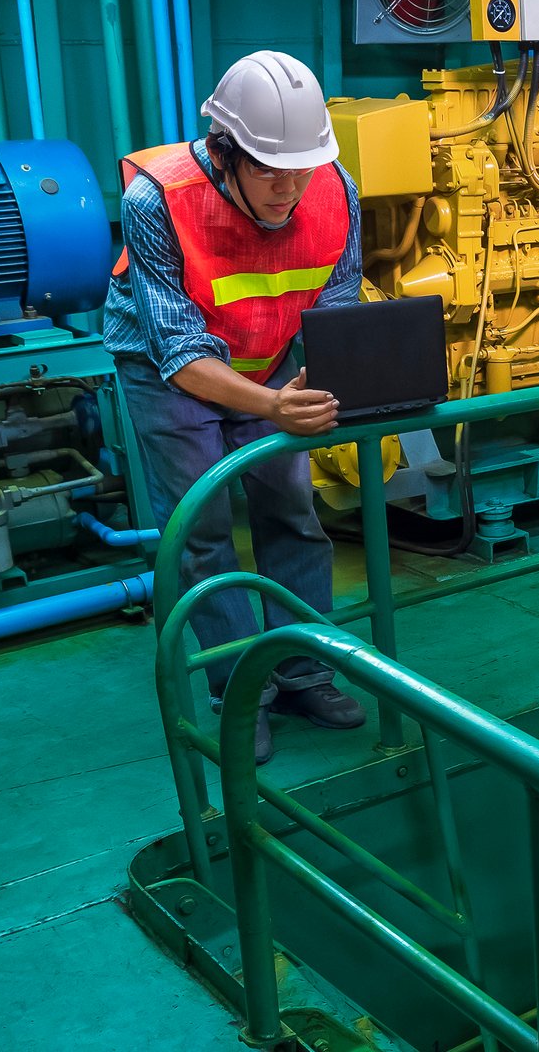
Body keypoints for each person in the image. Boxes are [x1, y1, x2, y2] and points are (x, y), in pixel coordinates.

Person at [103, 50, 366, 764]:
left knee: (292, 514)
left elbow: (338, 304)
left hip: (274, 358)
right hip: (168, 370)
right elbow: (181, 352)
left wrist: (314, 381)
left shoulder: (334, 187)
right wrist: (272, 406)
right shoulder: (155, 201)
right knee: (202, 528)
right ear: (224, 154)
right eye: (269, 172)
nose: (288, 190)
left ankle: (302, 670)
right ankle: (238, 690)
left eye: (300, 169)